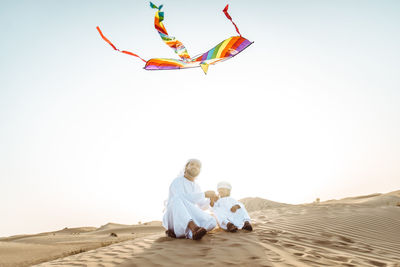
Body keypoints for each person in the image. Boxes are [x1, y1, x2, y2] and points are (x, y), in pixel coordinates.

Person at [162, 159, 218, 240]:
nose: (195, 167)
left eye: (198, 166)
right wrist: (203, 194)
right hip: (174, 217)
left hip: (190, 215)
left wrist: (210, 200)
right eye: (192, 164)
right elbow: (181, 198)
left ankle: (193, 234)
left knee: (212, 221)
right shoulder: (177, 181)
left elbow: (202, 206)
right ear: (186, 167)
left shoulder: (197, 186)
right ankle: (193, 228)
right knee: (177, 198)